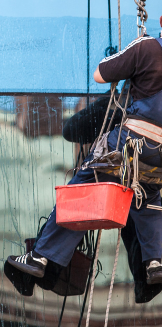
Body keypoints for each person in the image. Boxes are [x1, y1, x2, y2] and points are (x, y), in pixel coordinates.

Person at [8, 18, 162, 286]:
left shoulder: (147, 47)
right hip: (158, 154)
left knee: (82, 191)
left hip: (132, 139)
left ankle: (40, 258)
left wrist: (131, 61)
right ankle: (155, 262)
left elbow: (101, 73)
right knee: (148, 201)